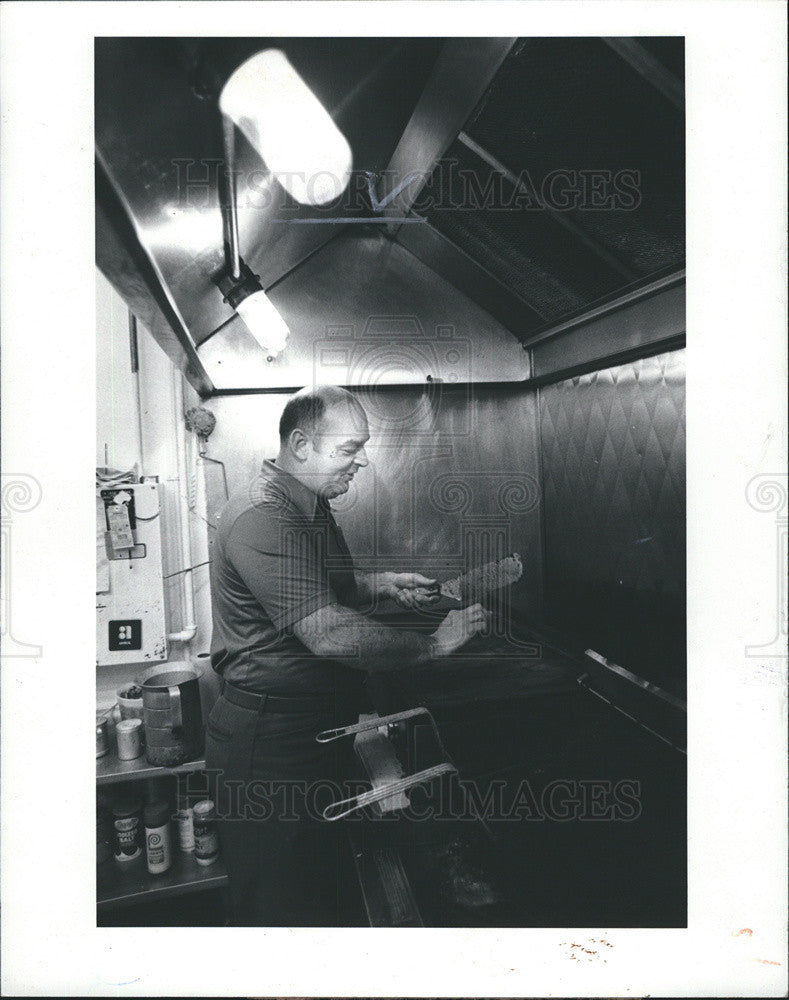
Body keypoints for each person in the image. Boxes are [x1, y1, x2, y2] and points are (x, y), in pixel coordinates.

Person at [205, 385, 488, 925]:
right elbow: (329, 631)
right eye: (348, 449)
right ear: (301, 444)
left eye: (362, 447)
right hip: (270, 749)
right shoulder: (264, 515)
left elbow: (319, 588)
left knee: (315, 898)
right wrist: (435, 644)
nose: (361, 462)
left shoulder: (309, 504)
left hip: (306, 734)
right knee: (280, 914)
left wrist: (383, 585)